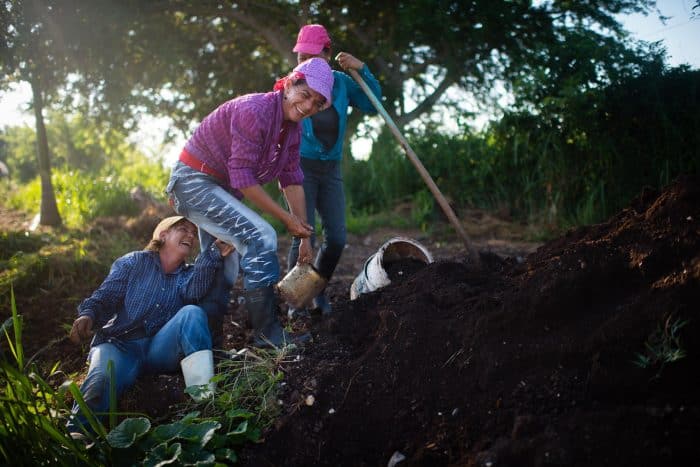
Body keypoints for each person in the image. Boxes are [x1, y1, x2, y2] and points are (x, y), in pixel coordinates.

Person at [166, 57, 334, 347]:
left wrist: (305, 235)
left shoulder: (293, 130)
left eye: (316, 103)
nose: (308, 107)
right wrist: (285, 219)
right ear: (290, 84)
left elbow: (291, 178)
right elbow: (242, 176)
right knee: (261, 236)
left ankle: (210, 348)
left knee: (223, 262)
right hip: (194, 182)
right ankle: (266, 333)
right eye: (305, 95)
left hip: (221, 191)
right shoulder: (254, 110)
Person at [67, 216, 233, 434]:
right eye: (183, 229)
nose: (191, 235)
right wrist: (88, 315)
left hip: (158, 348)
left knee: (192, 313)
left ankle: (206, 402)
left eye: (194, 233)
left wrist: (212, 253)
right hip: (119, 345)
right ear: (163, 235)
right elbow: (106, 296)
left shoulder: (188, 274)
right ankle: (76, 435)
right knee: (100, 383)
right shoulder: (134, 262)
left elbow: (194, 291)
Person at [286, 24, 382, 317]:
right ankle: (296, 302)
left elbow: (373, 104)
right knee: (304, 234)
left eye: (313, 55)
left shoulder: (341, 83)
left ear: (328, 53)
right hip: (301, 165)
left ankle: (316, 291)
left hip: (330, 168)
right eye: (301, 56)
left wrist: (362, 69)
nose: (306, 62)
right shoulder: (295, 82)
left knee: (337, 237)